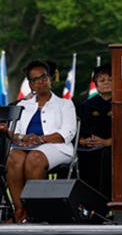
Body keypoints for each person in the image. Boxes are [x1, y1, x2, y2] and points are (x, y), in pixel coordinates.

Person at [6, 59, 77, 223]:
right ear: (30, 84)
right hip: (26, 146)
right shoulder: (24, 105)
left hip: (56, 146)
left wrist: (41, 139)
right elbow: (13, 133)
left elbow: (68, 132)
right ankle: (19, 211)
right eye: (35, 79)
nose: (40, 82)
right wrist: (25, 138)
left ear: (50, 78)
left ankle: (36, 213)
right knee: (13, 157)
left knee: (35, 158)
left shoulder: (64, 104)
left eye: (43, 77)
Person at [77, 63, 112, 199]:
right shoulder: (86, 106)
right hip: (88, 148)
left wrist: (106, 142)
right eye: (102, 80)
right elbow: (78, 131)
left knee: (107, 156)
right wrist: (82, 141)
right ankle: (88, 203)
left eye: (110, 79)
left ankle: (107, 201)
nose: (106, 83)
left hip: (112, 147)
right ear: (96, 84)